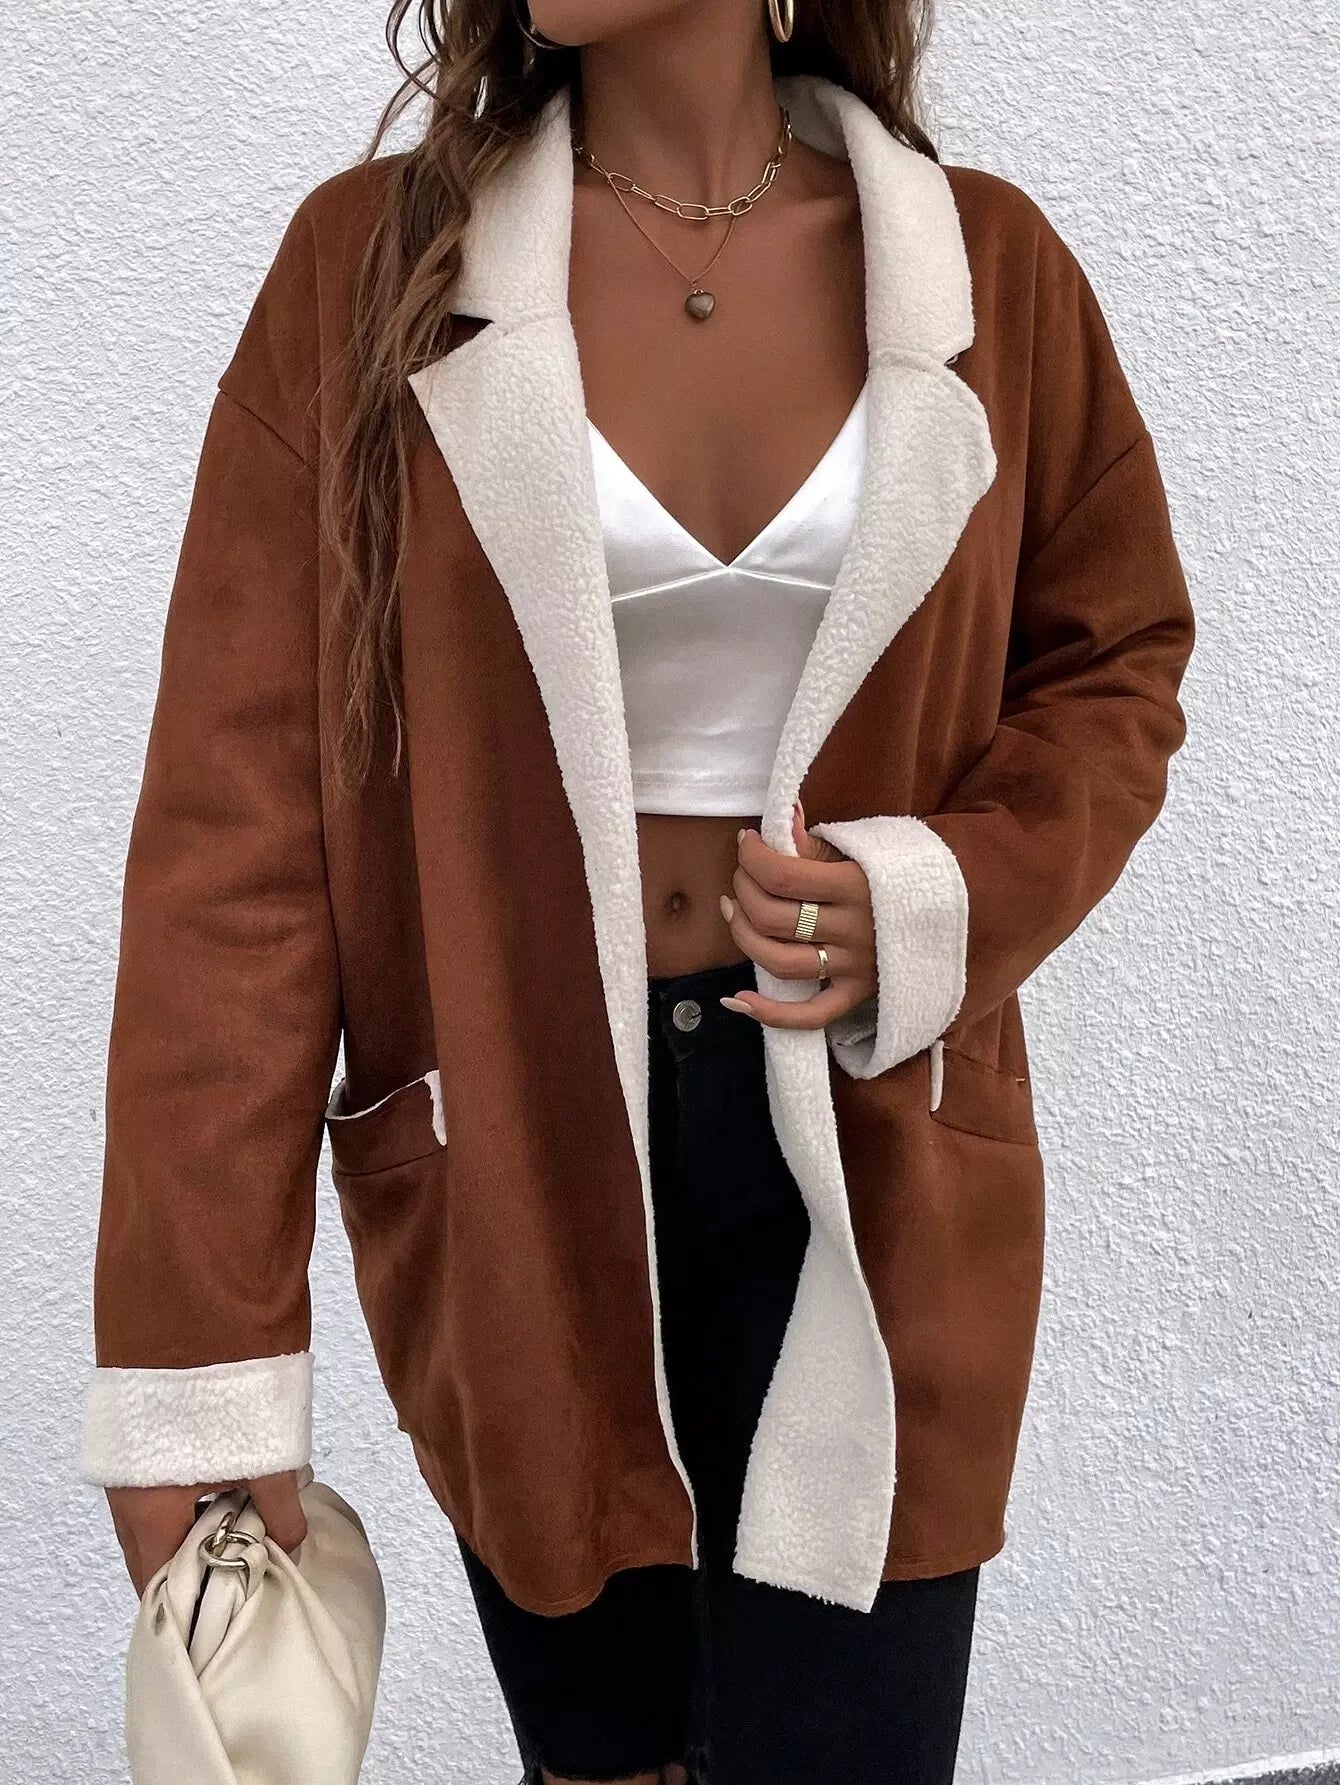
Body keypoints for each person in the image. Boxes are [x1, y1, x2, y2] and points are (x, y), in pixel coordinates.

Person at [82, 0, 1196, 1779]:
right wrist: (196, 1367)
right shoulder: (367, 278)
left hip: (873, 1169)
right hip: (529, 1171)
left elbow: (1116, 661)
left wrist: (941, 895)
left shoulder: (988, 272)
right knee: (606, 1758)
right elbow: (237, 843)